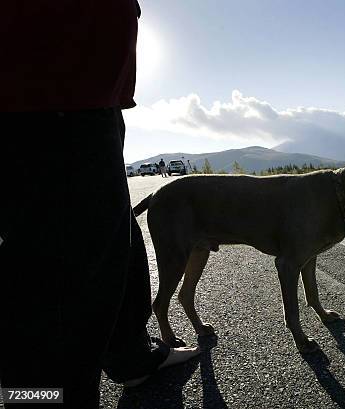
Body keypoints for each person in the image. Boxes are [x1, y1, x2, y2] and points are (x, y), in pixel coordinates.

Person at [0, 1, 199, 408]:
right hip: (43, 89)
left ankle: (132, 356)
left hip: (89, 93)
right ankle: (38, 402)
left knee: (115, 237)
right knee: (50, 266)